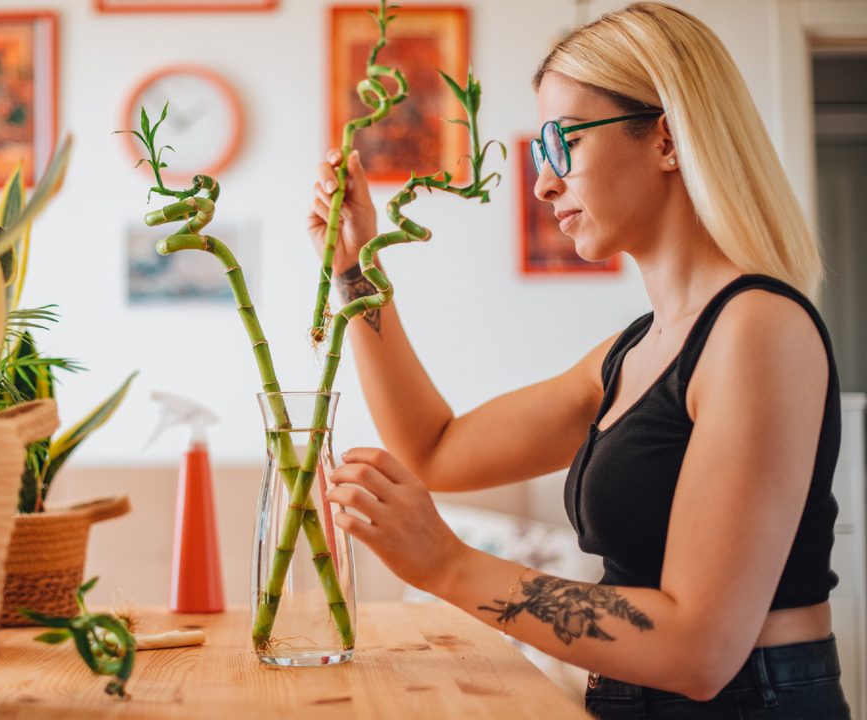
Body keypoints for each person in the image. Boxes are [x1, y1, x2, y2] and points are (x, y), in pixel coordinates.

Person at [309, 3, 850, 718]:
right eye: (540, 153)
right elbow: (435, 450)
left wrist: (446, 563)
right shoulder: (634, 352)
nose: (543, 183)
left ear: (666, 138)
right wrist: (356, 272)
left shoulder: (758, 328)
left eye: (563, 144)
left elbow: (698, 650)